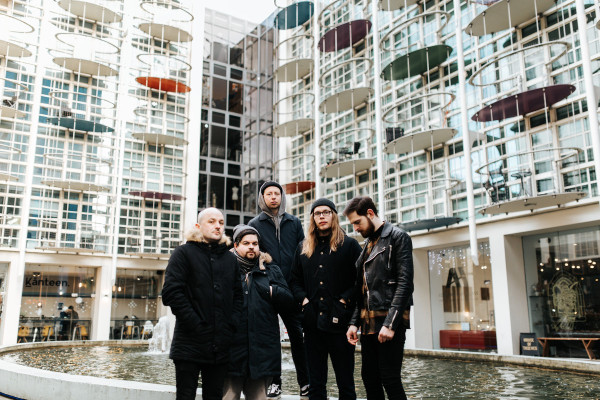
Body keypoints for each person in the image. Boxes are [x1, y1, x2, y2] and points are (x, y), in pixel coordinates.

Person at [162, 208, 243, 400]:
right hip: (188, 343)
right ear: (198, 226)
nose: (218, 226)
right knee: (185, 396)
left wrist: (231, 325)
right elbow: (171, 293)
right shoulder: (183, 253)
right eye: (212, 221)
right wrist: (197, 325)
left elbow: (239, 296)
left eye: (221, 222)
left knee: (214, 396)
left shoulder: (230, 259)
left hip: (220, 346)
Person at [344, 196, 414, 400]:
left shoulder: (398, 237)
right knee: (369, 378)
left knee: (390, 379)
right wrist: (353, 323)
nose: (355, 228)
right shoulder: (368, 245)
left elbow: (405, 284)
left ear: (370, 213)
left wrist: (391, 324)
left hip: (388, 322)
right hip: (368, 324)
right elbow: (362, 289)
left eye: (358, 222)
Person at [291, 198, 362, 400]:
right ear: (313, 218)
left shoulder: (349, 245)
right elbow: (293, 280)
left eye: (326, 212)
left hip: (340, 324)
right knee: (315, 385)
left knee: (346, 384)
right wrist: (304, 301)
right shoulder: (302, 248)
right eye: (317, 213)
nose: (322, 216)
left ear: (333, 216)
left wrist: (344, 300)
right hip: (312, 325)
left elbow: (360, 280)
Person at [249, 181, 310, 398]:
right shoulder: (255, 224)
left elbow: (303, 251)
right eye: (269, 194)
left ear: (282, 197)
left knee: (298, 337)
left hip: (292, 288)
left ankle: (305, 382)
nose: (273, 197)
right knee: (271, 338)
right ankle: (274, 382)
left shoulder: (294, 222)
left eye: (277, 193)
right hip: (268, 288)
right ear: (262, 198)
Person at [224, 224, 295, 400]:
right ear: (236, 245)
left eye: (255, 243)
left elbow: (289, 301)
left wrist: (271, 291)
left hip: (262, 353)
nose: (251, 247)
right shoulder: (225, 270)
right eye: (246, 243)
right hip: (232, 351)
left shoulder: (271, 270)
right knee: (229, 396)